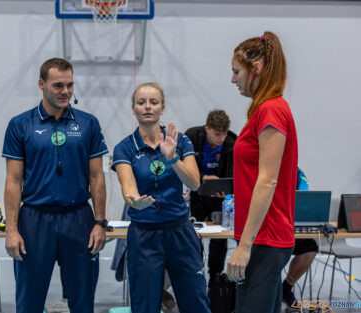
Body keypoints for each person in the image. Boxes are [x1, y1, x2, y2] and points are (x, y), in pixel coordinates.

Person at [2, 57, 108, 313]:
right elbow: (14, 181)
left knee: (83, 301)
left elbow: (97, 177)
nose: (65, 92)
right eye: (58, 85)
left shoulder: (88, 123)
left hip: (79, 218)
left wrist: (100, 223)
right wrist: (12, 230)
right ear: (41, 84)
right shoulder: (20, 125)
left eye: (70, 85)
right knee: (29, 301)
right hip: (35, 220)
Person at [112, 82, 211, 313]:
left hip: (181, 233)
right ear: (133, 109)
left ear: (162, 108)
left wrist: (172, 157)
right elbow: (128, 185)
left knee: (196, 302)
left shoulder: (181, 141)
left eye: (154, 102)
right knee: (145, 306)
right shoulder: (124, 148)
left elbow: (194, 183)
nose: (148, 106)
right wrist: (134, 201)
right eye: (141, 102)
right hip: (144, 234)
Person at [227, 31, 298, 313]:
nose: (233, 79)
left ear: (255, 69)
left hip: (264, 240)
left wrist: (244, 247)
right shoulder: (264, 110)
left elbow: (267, 181)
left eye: (236, 72)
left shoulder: (271, 110)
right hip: (260, 239)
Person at [185, 109, 237, 283]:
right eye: (216, 134)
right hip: (198, 194)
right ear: (207, 129)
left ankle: (215, 276)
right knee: (194, 234)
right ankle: (196, 271)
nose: (220, 139)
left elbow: (233, 175)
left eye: (223, 134)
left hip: (220, 199)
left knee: (219, 238)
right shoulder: (192, 137)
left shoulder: (232, 142)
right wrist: (202, 178)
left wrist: (227, 189)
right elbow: (183, 167)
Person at [282, 168, 318, 306]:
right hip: (266, 229)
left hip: (290, 227)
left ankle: (286, 288)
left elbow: (303, 197)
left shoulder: (298, 173)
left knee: (310, 248)